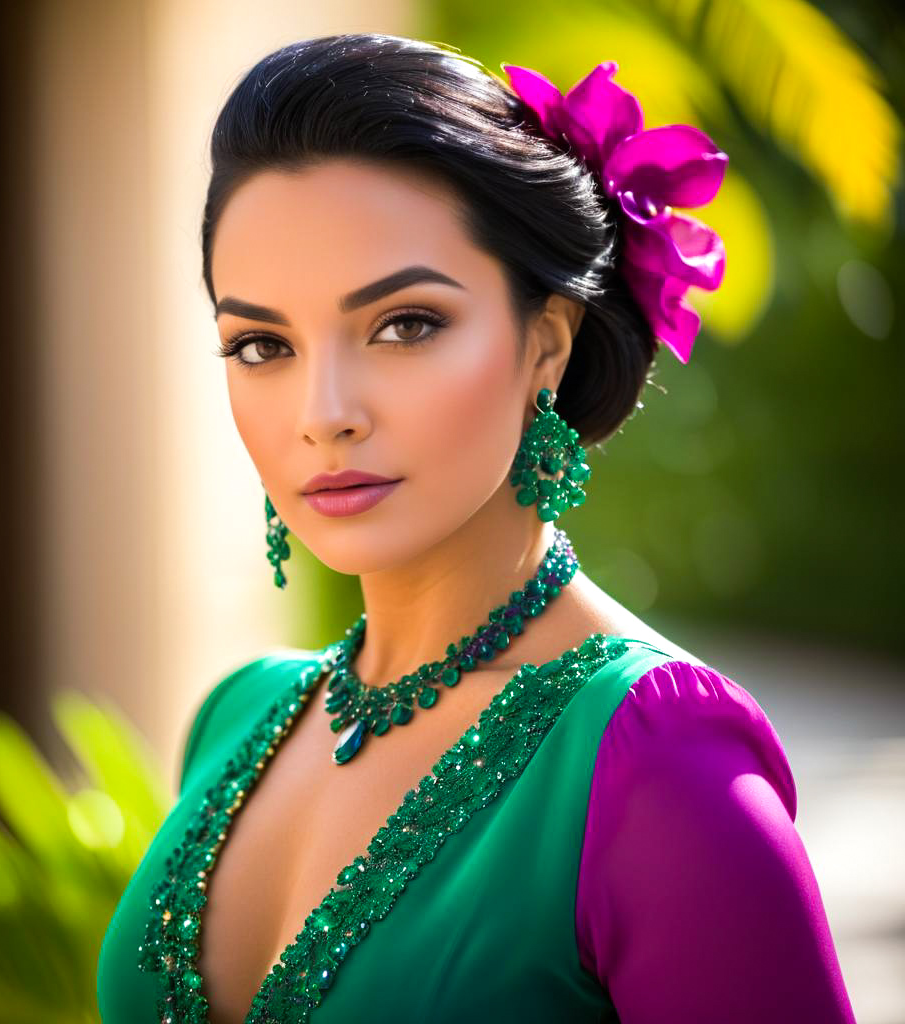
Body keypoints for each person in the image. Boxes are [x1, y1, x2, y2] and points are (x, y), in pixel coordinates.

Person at [96, 33, 857, 1024]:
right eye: (262, 344)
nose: (322, 411)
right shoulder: (235, 719)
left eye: (404, 323)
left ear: (545, 342)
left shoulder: (658, 764)